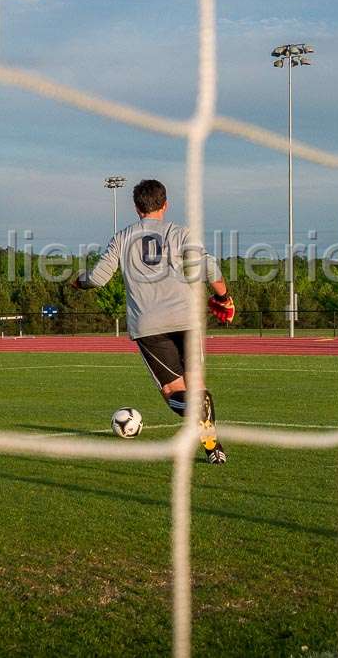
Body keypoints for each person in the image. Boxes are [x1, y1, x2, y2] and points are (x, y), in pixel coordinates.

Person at [72, 178, 234, 464]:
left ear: (137, 207)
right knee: (196, 386)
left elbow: (97, 278)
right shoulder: (181, 233)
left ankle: (206, 430)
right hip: (186, 318)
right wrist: (223, 298)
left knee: (174, 392)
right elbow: (210, 268)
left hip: (149, 325)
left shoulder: (122, 238)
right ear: (166, 204)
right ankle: (213, 449)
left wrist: (78, 282)